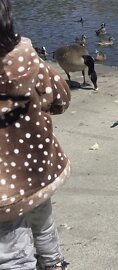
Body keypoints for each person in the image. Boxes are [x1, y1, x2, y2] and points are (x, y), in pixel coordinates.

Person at [0, 0, 71, 269]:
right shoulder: (27, 61)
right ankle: (53, 264)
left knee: (11, 253)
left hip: (4, 189)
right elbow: (61, 99)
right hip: (35, 169)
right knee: (42, 223)